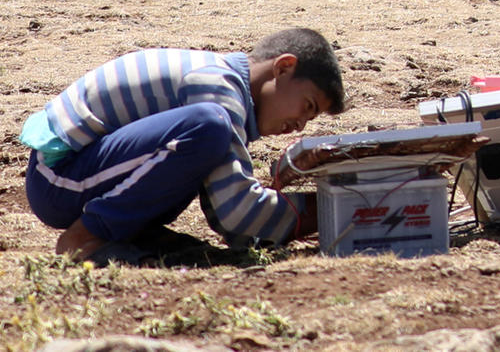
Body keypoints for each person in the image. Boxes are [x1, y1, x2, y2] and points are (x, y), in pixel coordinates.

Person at [20, 28, 343, 262]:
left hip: (74, 178)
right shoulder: (216, 85)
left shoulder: (223, 84)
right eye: (308, 106)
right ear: (283, 67)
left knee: (206, 137)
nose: (300, 125)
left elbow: (226, 212)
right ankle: (87, 238)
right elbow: (237, 212)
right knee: (209, 126)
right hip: (59, 182)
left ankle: (126, 234)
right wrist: (337, 209)